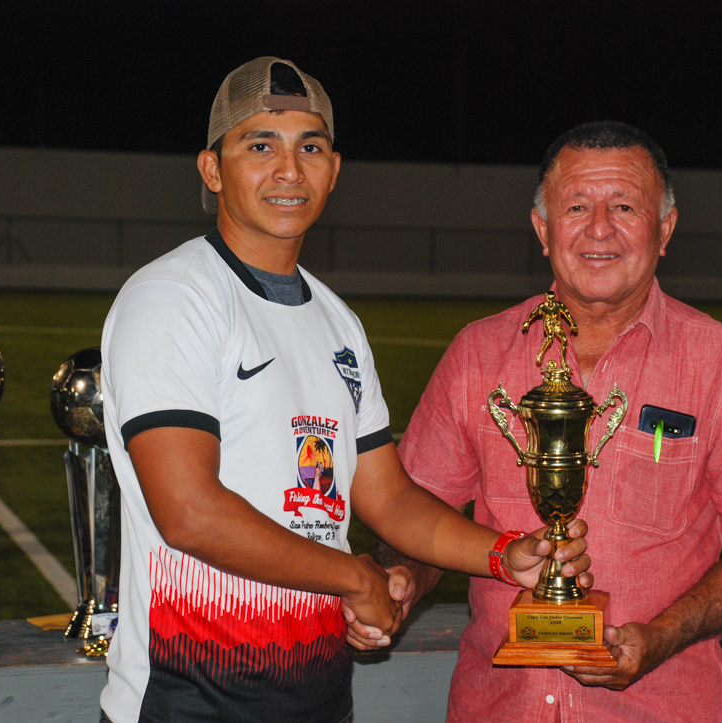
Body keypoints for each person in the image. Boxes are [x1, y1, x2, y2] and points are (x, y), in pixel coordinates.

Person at [98, 57, 591, 723]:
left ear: (333, 170)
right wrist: (355, 576)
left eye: (310, 148)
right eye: (260, 146)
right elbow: (189, 511)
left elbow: (387, 496)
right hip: (189, 703)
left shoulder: (337, 322)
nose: (288, 170)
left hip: (319, 699)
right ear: (212, 170)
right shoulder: (173, 297)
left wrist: (505, 555)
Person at [349, 121, 722, 722]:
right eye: (576, 207)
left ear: (665, 229)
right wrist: (401, 583)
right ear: (543, 229)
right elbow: (414, 514)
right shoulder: (477, 354)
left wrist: (660, 637)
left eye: (624, 206)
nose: (600, 228)